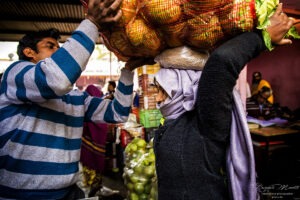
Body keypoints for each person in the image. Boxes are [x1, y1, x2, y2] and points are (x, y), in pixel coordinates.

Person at [0, 0, 154, 199]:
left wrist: (127, 71)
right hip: (21, 195)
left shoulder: (74, 98)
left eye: (58, 46)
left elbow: (118, 112)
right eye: (50, 46)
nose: (58, 51)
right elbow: (56, 79)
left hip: (69, 192)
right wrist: (92, 23)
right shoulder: (15, 74)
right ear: (29, 52)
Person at [152, 3, 295, 200]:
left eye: (163, 90)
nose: (158, 99)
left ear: (184, 87)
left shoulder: (206, 121)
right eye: (157, 89)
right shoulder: (171, 122)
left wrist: (263, 37)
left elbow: (221, 63)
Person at [80, 84, 107, 197]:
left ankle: (89, 191)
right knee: (96, 168)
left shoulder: (83, 110)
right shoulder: (101, 110)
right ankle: (96, 189)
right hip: (98, 146)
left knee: (87, 171)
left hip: (85, 148)